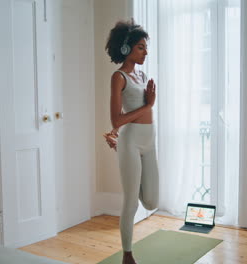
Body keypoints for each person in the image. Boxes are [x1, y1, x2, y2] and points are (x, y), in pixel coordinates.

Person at [103, 19, 159, 264]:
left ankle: (125, 162)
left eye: (146, 47)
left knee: (152, 201)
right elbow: (116, 120)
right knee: (131, 203)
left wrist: (148, 105)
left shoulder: (142, 74)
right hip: (131, 142)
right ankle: (127, 254)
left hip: (149, 142)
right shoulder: (118, 77)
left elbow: (142, 112)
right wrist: (148, 105)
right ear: (126, 48)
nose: (146, 52)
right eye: (140, 47)